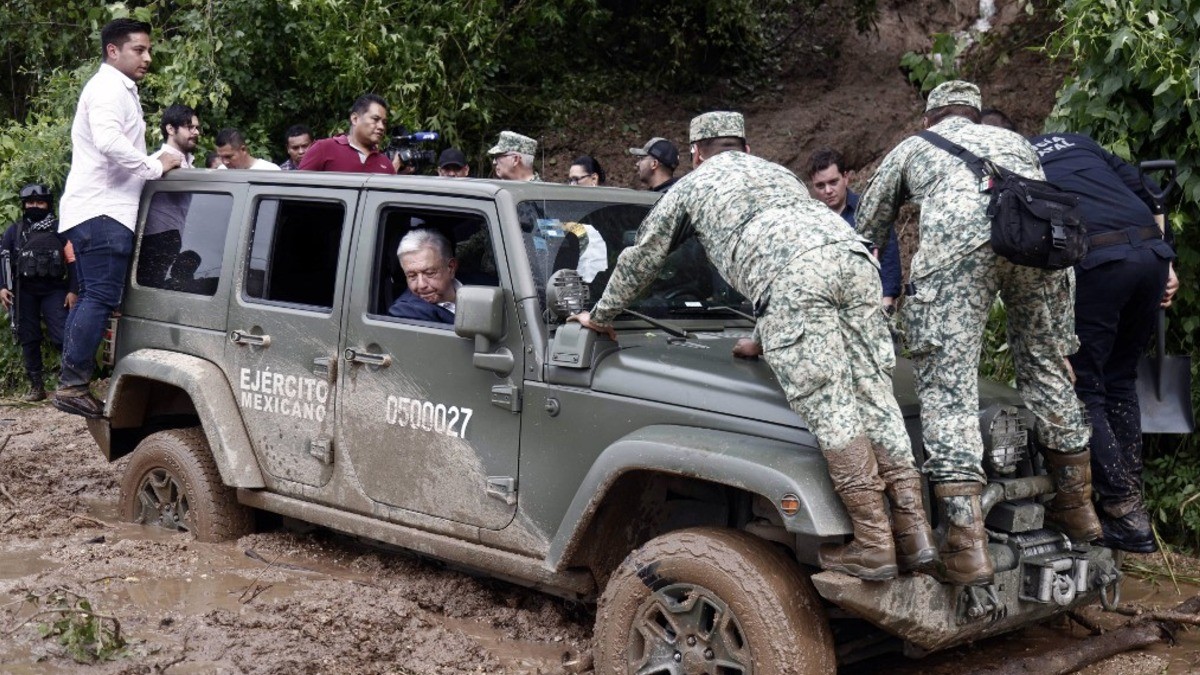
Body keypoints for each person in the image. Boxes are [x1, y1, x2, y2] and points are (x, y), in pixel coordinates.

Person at [572, 111, 934, 581]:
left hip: (797, 283)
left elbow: (643, 258)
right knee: (874, 393)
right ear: (746, 148)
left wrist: (600, 316)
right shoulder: (778, 173)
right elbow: (798, 249)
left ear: (697, 154)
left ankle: (874, 545)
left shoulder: (692, 186)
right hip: (856, 259)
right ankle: (915, 533)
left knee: (831, 406)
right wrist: (762, 339)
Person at [857, 80, 1102, 586]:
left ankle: (966, 546)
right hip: (1038, 246)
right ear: (974, 114)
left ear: (931, 119)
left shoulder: (914, 147)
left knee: (949, 385)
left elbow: (868, 225)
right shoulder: (1016, 143)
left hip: (958, 253)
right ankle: (1078, 507)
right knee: (1048, 367)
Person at [1026, 129, 1177, 553]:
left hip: (1101, 262)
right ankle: (1133, 505)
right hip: (1150, 252)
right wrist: (1169, 263)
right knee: (1121, 379)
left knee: (1086, 386)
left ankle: (1123, 513)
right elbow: (1149, 193)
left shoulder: (1015, 159)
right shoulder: (1077, 141)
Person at [53, 18, 182, 418]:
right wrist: (154, 165)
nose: (147, 57)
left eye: (148, 49)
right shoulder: (108, 88)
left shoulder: (117, 88)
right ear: (114, 51)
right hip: (103, 210)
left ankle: (72, 381)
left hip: (100, 209)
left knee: (96, 294)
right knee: (100, 296)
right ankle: (72, 384)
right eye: (139, 50)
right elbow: (109, 142)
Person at [1, 184, 77, 401]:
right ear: (24, 205)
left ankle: (69, 385)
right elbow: (3, 258)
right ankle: (37, 388)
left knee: (63, 335)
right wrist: (2, 287)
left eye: (40, 202)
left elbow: (72, 262)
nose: (35, 206)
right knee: (29, 338)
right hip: (23, 292)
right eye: (30, 203)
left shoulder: (60, 230)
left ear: (48, 204)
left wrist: (73, 290)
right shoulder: (14, 231)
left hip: (54, 290)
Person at [807, 149, 902, 311]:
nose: (828, 191)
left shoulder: (869, 211)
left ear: (845, 178)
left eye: (833, 182)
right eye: (820, 186)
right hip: (827, 308)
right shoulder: (809, 221)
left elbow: (888, 257)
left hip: (869, 305)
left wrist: (887, 302)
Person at [140, 103, 199, 286]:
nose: (196, 132)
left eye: (197, 127)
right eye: (190, 127)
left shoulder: (190, 165)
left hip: (174, 238)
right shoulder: (155, 163)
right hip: (154, 239)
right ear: (170, 129)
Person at [300, 94, 394, 174]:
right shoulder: (324, 149)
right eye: (375, 119)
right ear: (355, 119)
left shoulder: (386, 164)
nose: (381, 127)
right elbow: (297, 189)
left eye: (384, 122)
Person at [388, 229, 460, 324]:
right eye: (412, 276)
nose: (421, 285)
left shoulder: (481, 283)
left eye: (429, 273)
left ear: (451, 268)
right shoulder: (406, 312)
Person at [214, 128, 280, 170]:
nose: (225, 162)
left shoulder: (269, 170)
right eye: (221, 157)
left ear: (243, 149)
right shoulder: (221, 171)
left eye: (228, 156)